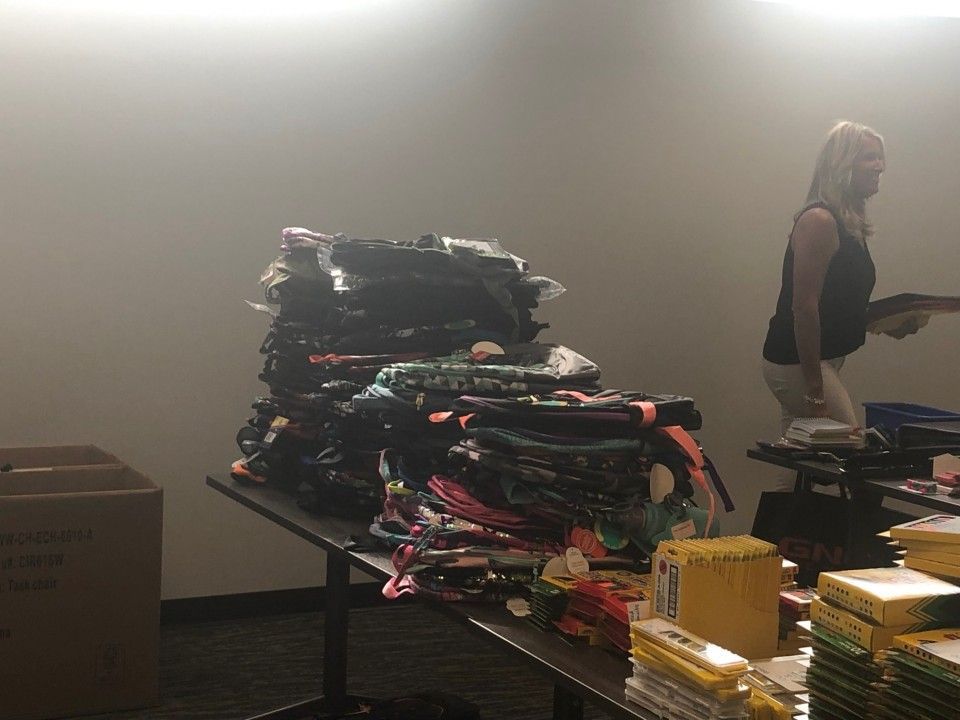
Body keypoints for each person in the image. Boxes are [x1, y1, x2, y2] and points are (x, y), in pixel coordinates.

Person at [762, 121, 887, 437]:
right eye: (870, 157)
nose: (880, 166)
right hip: (796, 362)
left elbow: (839, 302)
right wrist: (815, 391)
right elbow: (804, 308)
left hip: (818, 360)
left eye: (880, 157)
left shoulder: (848, 223)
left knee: (799, 465)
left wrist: (893, 322)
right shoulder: (820, 221)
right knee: (849, 447)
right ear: (842, 164)